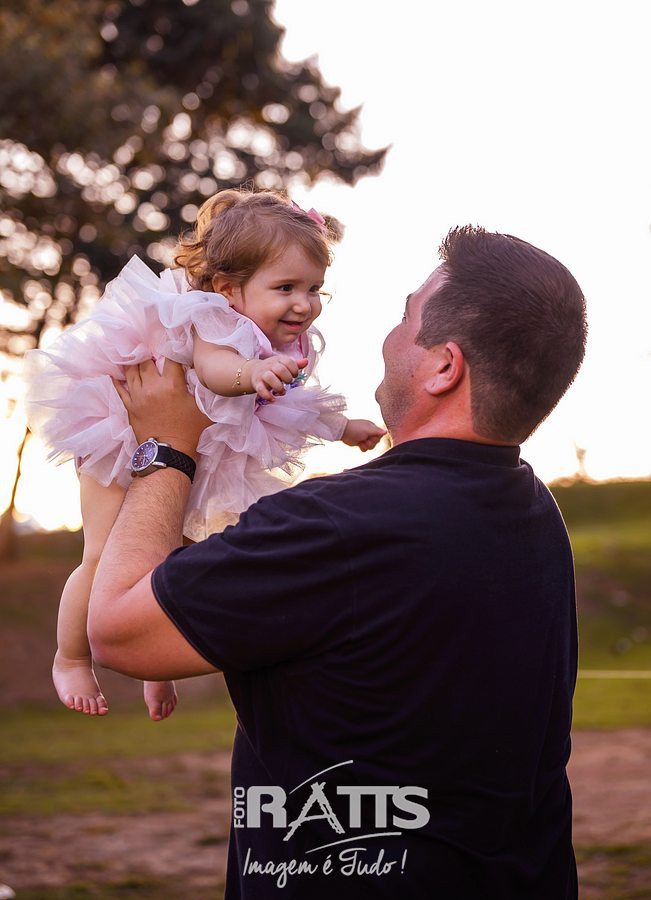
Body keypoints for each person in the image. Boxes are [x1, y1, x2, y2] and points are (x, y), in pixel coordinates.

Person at [87, 225, 587, 899]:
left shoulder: (336, 526)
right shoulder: (531, 509)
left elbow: (118, 630)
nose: (388, 337)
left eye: (405, 318)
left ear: (444, 367)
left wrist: (168, 446)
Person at [23, 189, 385, 720]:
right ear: (228, 288)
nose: (304, 303)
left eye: (314, 289)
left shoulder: (283, 341)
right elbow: (215, 369)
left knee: (171, 561)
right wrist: (251, 372)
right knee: (102, 553)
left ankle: (155, 664)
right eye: (286, 287)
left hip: (193, 451)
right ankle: (71, 658)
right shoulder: (212, 318)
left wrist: (345, 428)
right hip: (119, 438)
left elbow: (295, 404)